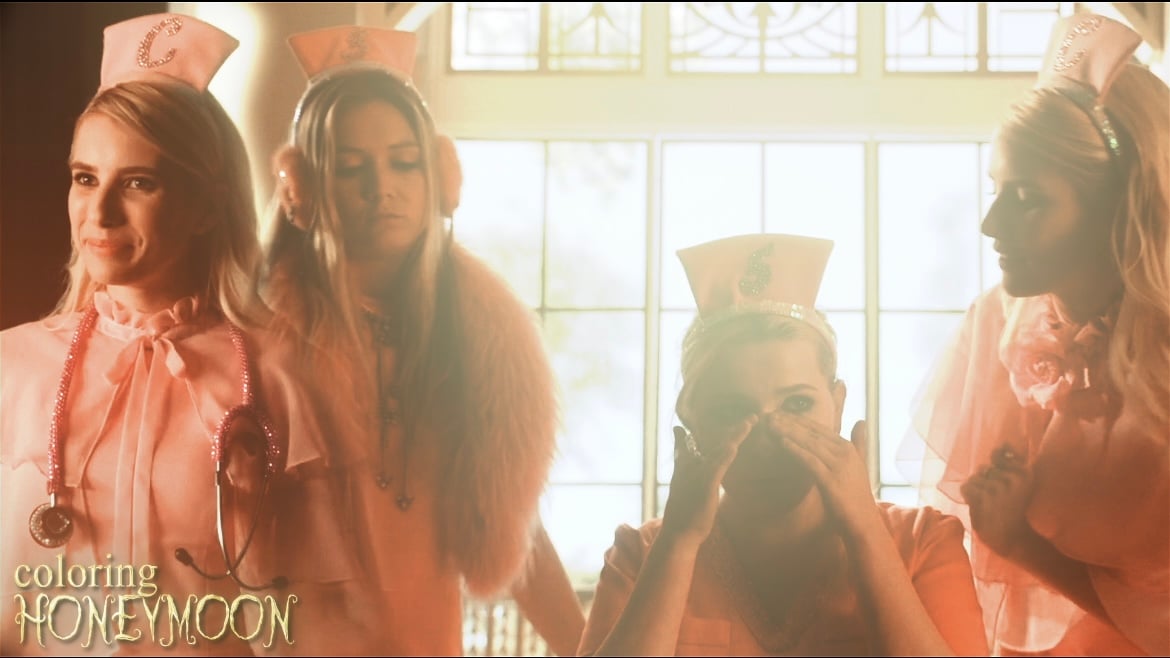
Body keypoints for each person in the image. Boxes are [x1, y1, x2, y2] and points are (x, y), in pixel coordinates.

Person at [0, 13, 355, 656]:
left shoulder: (279, 373)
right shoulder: (13, 364)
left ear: (207, 206)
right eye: (85, 178)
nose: (100, 212)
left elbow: (311, 624)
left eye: (139, 182)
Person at [261, 25, 585, 656]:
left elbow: (510, 519)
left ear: (440, 175)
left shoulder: (478, 343)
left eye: (404, 163)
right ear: (301, 186)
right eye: (350, 167)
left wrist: (586, 647)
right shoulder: (254, 341)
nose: (381, 188)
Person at [899, 13, 1170, 656]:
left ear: (1117, 204)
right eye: (996, 189)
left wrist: (1020, 541)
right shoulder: (998, 327)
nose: (991, 224)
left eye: (1027, 198)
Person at [577, 233, 989, 656]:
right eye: (733, 410)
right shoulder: (640, 557)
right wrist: (678, 544)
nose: (767, 439)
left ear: (837, 405)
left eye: (797, 404)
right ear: (691, 418)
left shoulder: (923, 544)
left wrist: (864, 531)